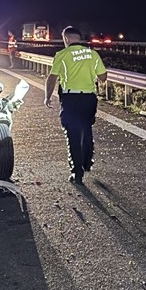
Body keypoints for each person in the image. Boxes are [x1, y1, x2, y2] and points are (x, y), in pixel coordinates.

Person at [44, 26, 107, 184]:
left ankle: (77, 171)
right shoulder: (93, 54)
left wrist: (47, 97)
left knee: (72, 134)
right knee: (86, 129)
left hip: (70, 98)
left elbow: (52, 78)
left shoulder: (62, 55)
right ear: (79, 38)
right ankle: (87, 162)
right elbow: (103, 77)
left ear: (66, 39)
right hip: (89, 98)